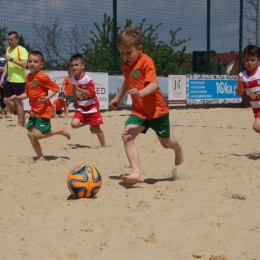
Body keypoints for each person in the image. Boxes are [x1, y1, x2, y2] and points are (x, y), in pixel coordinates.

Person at [109, 27, 183, 184]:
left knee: (166, 143)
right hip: (139, 112)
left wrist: (140, 93)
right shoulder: (125, 66)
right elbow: (127, 81)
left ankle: (178, 149)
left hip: (157, 112)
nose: (125, 57)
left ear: (139, 49)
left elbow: (154, 85)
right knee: (126, 136)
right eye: (122, 53)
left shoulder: (146, 61)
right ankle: (137, 173)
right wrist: (118, 97)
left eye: (128, 52)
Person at [11, 51, 71, 160]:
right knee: (30, 134)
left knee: (37, 135)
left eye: (35, 62)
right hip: (34, 111)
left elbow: (56, 89)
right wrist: (18, 97)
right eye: (30, 61)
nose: (32, 64)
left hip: (44, 110)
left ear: (41, 64)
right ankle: (41, 157)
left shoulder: (43, 77)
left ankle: (60, 130)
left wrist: (47, 98)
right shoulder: (28, 77)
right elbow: (27, 93)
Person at [69, 53, 105, 147]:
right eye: (72, 65)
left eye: (76, 65)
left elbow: (91, 94)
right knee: (74, 124)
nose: (74, 67)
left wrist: (79, 89)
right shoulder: (72, 78)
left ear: (83, 66)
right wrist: (75, 101)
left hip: (92, 107)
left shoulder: (88, 79)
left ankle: (103, 146)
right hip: (82, 107)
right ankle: (89, 122)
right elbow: (73, 89)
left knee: (97, 129)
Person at [0, 31, 28, 127]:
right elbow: (7, 65)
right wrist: (3, 78)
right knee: (5, 100)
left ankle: (20, 124)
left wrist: (11, 59)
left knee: (17, 101)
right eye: (8, 39)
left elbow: (25, 64)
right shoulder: (8, 50)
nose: (9, 41)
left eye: (11, 39)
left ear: (17, 39)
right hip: (10, 80)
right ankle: (23, 114)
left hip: (19, 80)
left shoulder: (22, 50)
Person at [236, 44, 260, 133]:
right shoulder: (242, 76)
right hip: (256, 108)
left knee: (256, 126)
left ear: (258, 59)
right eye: (247, 60)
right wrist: (239, 84)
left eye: (252, 60)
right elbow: (239, 93)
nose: (249, 62)